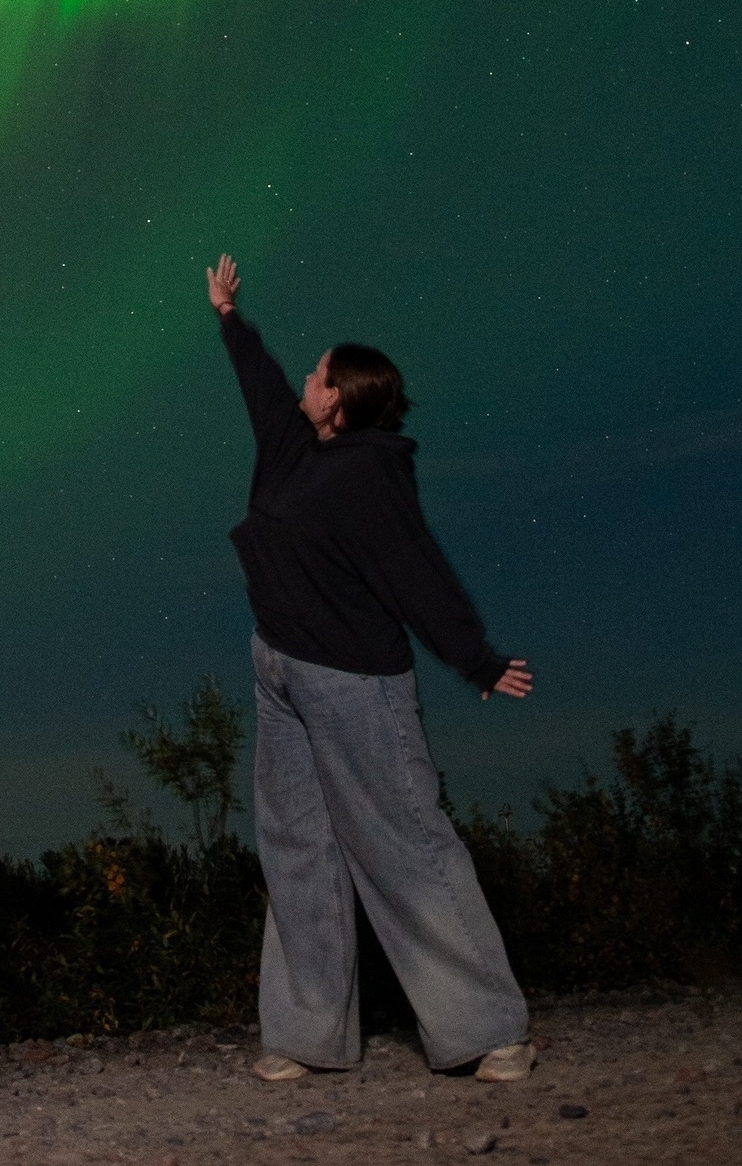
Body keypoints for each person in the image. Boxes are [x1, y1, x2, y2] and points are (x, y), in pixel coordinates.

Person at [206, 250, 536, 1084]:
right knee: (295, 847)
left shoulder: (367, 476)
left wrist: (476, 659)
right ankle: (306, 1036)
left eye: (319, 376)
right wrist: (229, 320)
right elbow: (258, 385)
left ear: (342, 404)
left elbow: (412, 567)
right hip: (279, 669)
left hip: (354, 683)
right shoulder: (293, 451)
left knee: (404, 845)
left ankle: (489, 1029)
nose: (306, 381)